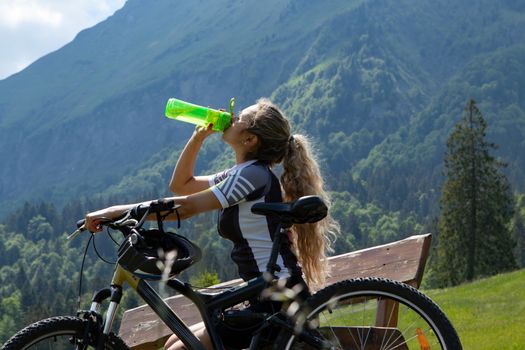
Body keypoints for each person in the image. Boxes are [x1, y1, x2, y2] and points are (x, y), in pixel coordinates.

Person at [85, 98, 339, 350]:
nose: (232, 116)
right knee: (178, 340)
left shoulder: (252, 176)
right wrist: (197, 138)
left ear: (249, 139)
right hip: (265, 296)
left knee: (178, 349)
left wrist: (114, 212)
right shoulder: (244, 173)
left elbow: (186, 207)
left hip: (278, 301)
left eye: (240, 117)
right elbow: (182, 185)